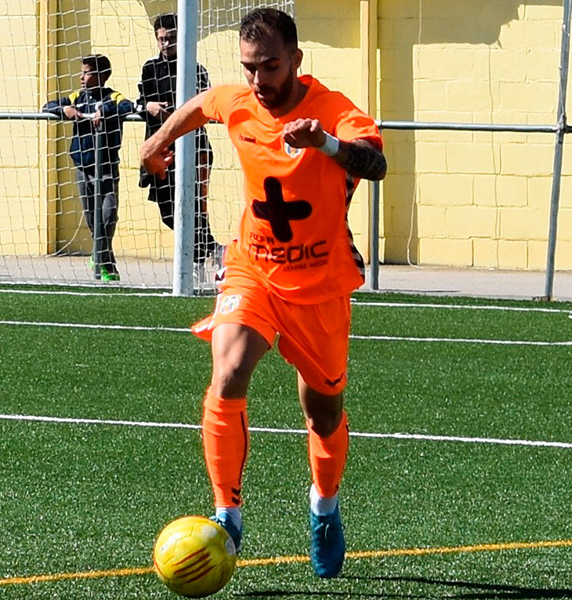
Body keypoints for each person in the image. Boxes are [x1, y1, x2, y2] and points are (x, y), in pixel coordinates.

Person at [140, 8, 386, 579]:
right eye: (250, 67)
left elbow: (375, 163)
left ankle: (323, 506)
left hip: (320, 284)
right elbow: (203, 105)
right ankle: (227, 512)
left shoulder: (333, 109)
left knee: (323, 411)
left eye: (270, 66)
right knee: (227, 372)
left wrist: (325, 143)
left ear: (296, 60)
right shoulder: (240, 100)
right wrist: (156, 142)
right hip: (252, 268)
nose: (258, 80)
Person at [136, 13, 221, 272]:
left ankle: (196, 261)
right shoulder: (149, 68)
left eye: (171, 38)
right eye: (161, 39)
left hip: (192, 146)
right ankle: (212, 249)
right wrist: (148, 106)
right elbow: (140, 101)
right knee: (168, 211)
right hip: (161, 149)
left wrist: (177, 113)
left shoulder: (194, 68)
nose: (165, 44)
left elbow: (204, 104)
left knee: (193, 205)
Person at [43, 54, 134, 281]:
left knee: (108, 212)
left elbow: (127, 106)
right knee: (91, 215)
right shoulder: (77, 97)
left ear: (102, 75)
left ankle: (98, 255)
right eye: (81, 72)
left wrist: (105, 112)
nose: (81, 77)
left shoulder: (112, 96)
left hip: (105, 164)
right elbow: (48, 105)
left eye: (87, 72)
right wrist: (64, 110)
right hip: (82, 164)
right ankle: (106, 264)